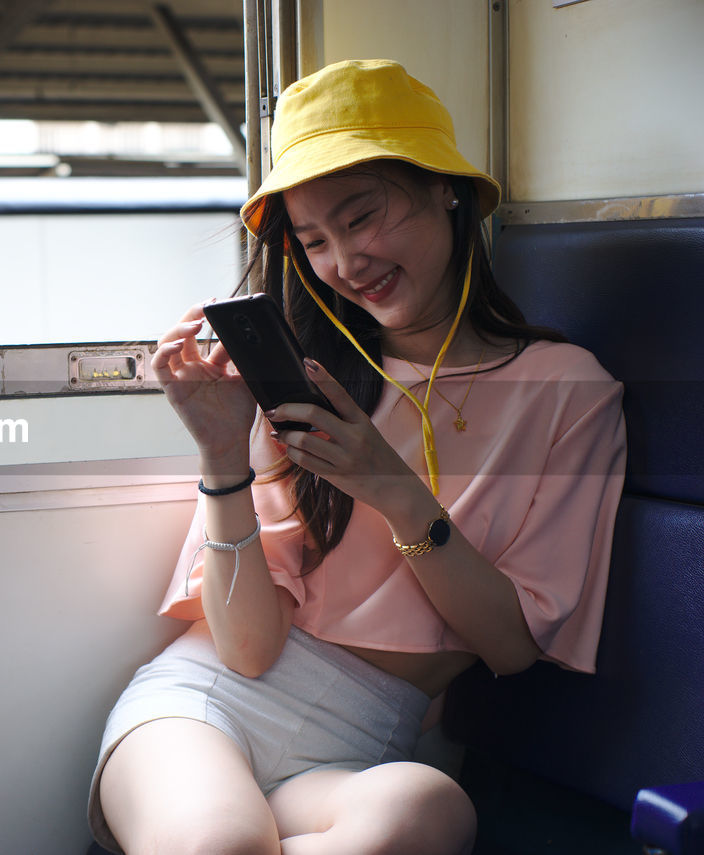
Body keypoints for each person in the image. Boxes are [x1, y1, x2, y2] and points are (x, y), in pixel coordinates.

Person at [87, 59, 626, 855]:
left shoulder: (569, 391)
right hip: (205, 707)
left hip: (360, 748)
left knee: (431, 810)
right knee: (220, 842)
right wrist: (221, 453)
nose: (344, 262)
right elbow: (246, 648)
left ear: (446, 188)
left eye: (362, 216)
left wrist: (395, 491)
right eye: (314, 241)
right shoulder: (307, 379)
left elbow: (512, 647)